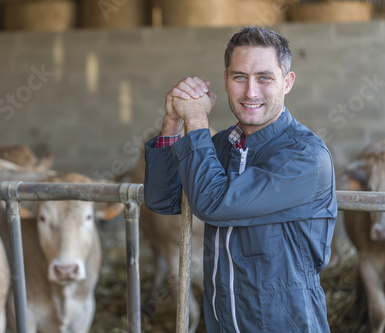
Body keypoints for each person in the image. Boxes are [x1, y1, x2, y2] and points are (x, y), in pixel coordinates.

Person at [143, 27, 337, 332]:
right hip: (222, 320)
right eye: (239, 77)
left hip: (284, 323)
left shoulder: (305, 157)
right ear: (225, 80)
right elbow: (163, 200)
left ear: (287, 83)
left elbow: (214, 204)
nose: (250, 92)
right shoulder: (220, 145)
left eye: (264, 77)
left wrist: (195, 120)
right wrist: (172, 122)